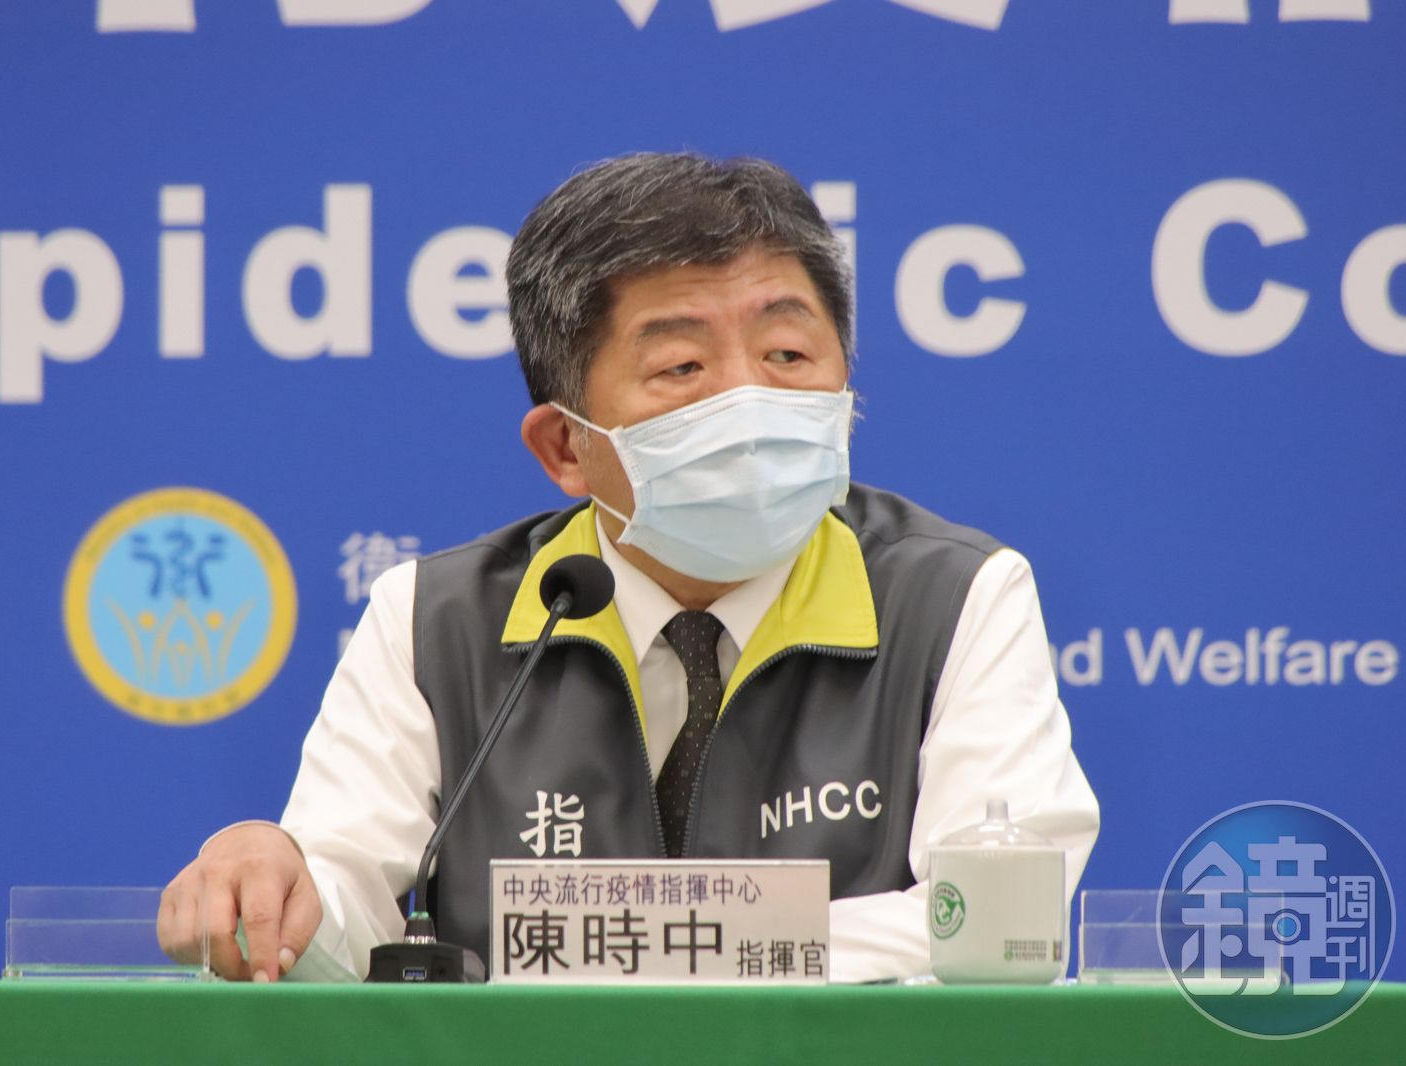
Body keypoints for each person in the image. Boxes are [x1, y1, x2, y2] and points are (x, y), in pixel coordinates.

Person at [157, 153, 1099, 984]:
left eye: (788, 352)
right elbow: (343, 912)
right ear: (566, 447)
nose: (749, 399)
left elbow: (997, 921)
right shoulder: (434, 621)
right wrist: (275, 886)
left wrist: (635, 946)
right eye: (683, 367)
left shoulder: (954, 596)